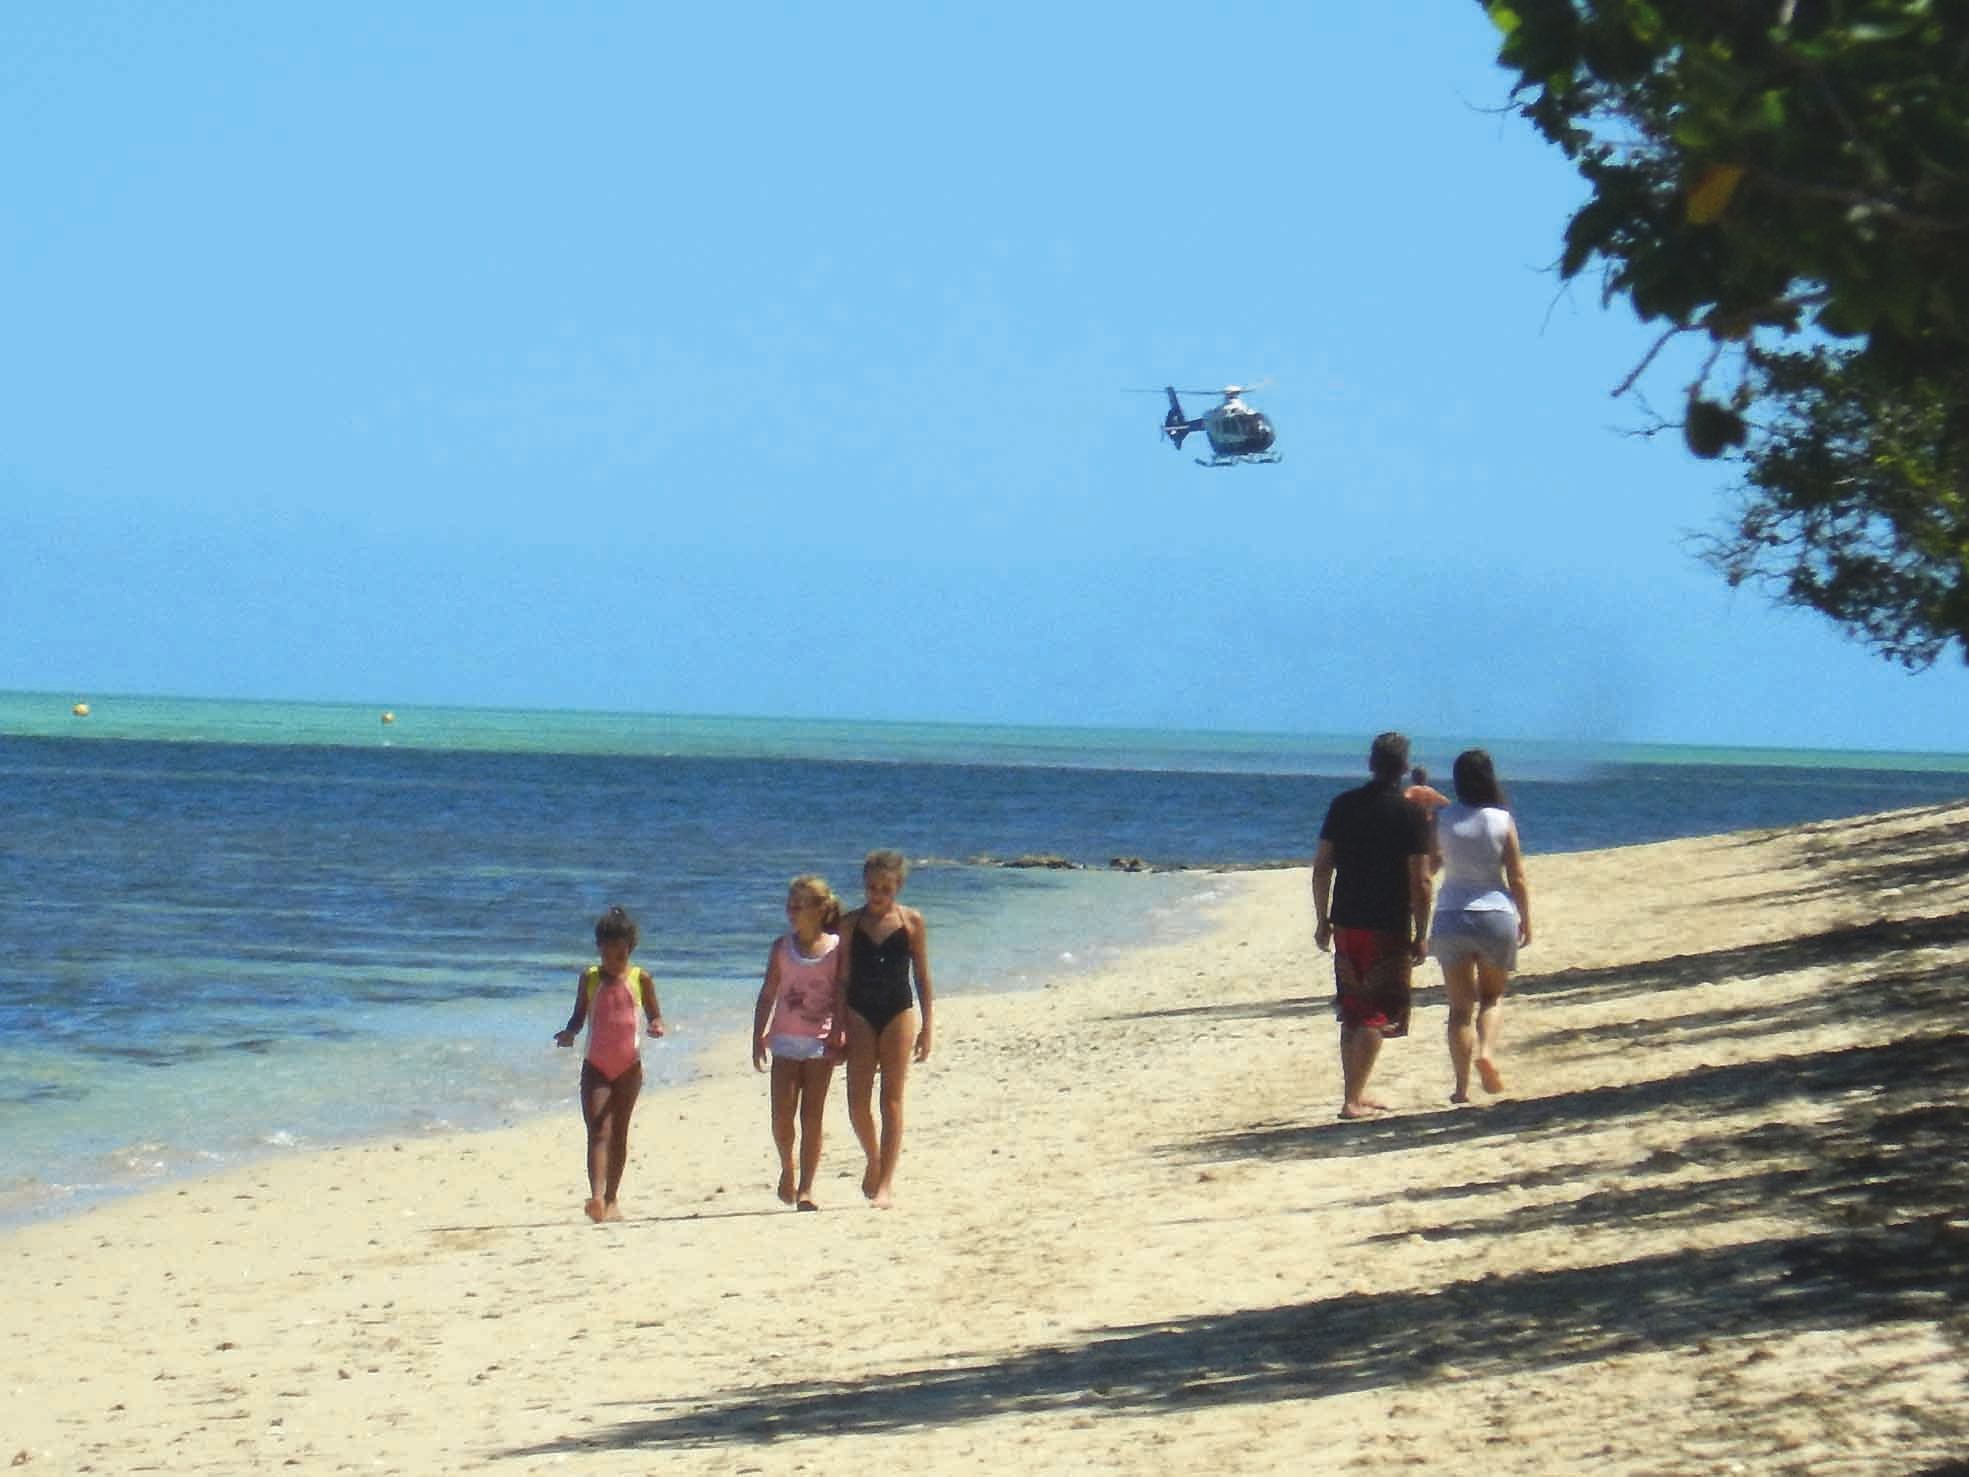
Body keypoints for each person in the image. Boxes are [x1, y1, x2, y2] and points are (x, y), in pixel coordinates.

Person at [1312, 732, 1434, 1119]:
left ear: (1370, 763)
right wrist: (1422, 931)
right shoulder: (1410, 814)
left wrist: (1322, 919)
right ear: (1402, 768)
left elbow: (1322, 867)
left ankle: (1355, 1092)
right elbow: (1422, 880)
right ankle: (1352, 1100)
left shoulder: (1343, 805)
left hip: (1347, 919)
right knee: (1376, 1011)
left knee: (1353, 1008)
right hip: (1387, 924)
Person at [1427, 749, 1533, 1102]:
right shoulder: (1501, 820)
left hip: (1451, 914)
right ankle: (1486, 1052)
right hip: (1495, 914)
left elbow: (1430, 866)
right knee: (1492, 997)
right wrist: (1526, 919)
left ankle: (1460, 1089)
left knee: (1459, 1009)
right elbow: (1516, 876)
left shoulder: (1442, 819)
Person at [831, 849, 934, 1208]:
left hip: (898, 1012)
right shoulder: (849, 924)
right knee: (857, 1102)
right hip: (859, 1012)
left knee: (891, 1099)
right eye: (872, 887)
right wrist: (837, 1026)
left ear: (898, 887)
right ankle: (873, 1159)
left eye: (885, 889)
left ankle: (886, 1183)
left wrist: (928, 1027)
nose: (877, 895)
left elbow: (921, 976)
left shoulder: (911, 922)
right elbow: (841, 980)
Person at [554, 905, 665, 1222]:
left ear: (629, 949)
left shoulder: (640, 978)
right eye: (606, 953)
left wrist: (657, 1025)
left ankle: (613, 1197)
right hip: (596, 1065)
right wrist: (569, 1033)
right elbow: (578, 1016)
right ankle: (597, 1197)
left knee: (619, 1132)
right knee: (598, 1129)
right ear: (599, 948)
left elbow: (655, 1014)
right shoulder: (589, 978)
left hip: (629, 1066)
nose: (612, 961)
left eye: (619, 954)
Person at [751, 874, 843, 1211]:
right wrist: (757, 1035)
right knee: (782, 1116)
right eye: (789, 905)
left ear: (820, 910)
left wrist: (841, 1031)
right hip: (785, 1041)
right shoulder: (781, 948)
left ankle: (806, 1187)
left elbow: (841, 994)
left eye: (799, 905)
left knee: (812, 1117)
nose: (791, 911)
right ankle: (787, 1168)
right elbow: (767, 994)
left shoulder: (835, 948)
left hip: (820, 1043)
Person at [1404, 764, 1452, 874]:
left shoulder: (1412, 789)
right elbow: (1446, 802)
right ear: (1425, 777)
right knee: (1430, 851)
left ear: (1413, 778)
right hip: (1429, 824)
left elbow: (1403, 800)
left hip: (1416, 823)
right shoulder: (1431, 791)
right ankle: (1430, 872)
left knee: (1415, 852)